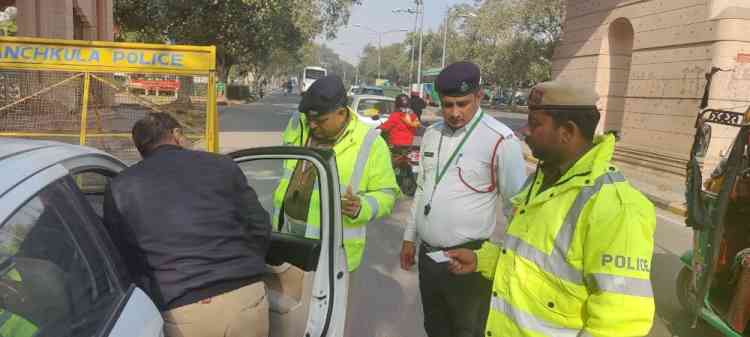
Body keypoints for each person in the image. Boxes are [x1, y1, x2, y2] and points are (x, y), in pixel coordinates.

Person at [445, 81, 657, 337]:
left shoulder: (616, 206)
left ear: (567, 131)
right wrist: (482, 259)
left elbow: (621, 322)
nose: (524, 131)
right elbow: (531, 259)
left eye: (535, 124)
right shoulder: (544, 177)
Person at [103, 113, 271, 337]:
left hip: (182, 311)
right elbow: (259, 225)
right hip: (245, 298)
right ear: (176, 134)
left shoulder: (120, 187)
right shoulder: (222, 165)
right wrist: (244, 265)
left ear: (140, 148)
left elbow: (122, 256)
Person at [399, 62, 527, 337]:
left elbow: (518, 210)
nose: (455, 113)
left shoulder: (501, 141)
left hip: (470, 259)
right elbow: (422, 190)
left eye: (463, 104)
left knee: (467, 331)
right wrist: (409, 238)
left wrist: (507, 263)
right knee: (435, 328)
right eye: (448, 105)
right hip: (429, 256)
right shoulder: (432, 135)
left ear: (479, 97)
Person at [273, 74, 399, 272]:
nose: (313, 125)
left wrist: (362, 207)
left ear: (341, 113)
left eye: (321, 120)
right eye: (310, 118)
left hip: (334, 257)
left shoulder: (371, 144)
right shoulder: (300, 124)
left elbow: (387, 194)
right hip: (286, 240)